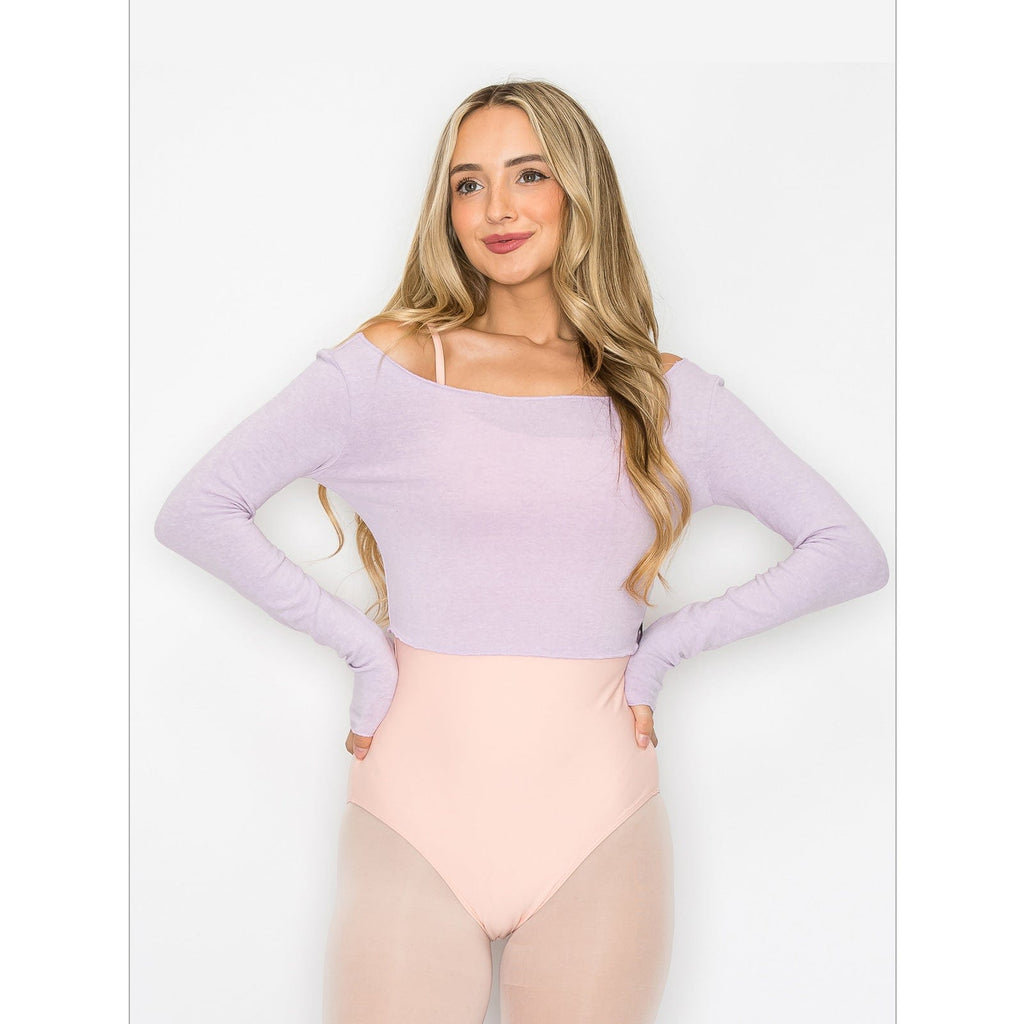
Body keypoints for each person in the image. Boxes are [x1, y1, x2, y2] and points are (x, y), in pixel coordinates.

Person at [154, 80, 889, 1024]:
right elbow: (198, 509)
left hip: (598, 819)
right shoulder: (390, 366)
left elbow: (847, 550)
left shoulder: (661, 397)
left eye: (528, 174)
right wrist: (364, 649)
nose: (496, 208)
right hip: (413, 809)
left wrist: (664, 649)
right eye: (468, 184)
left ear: (579, 190)